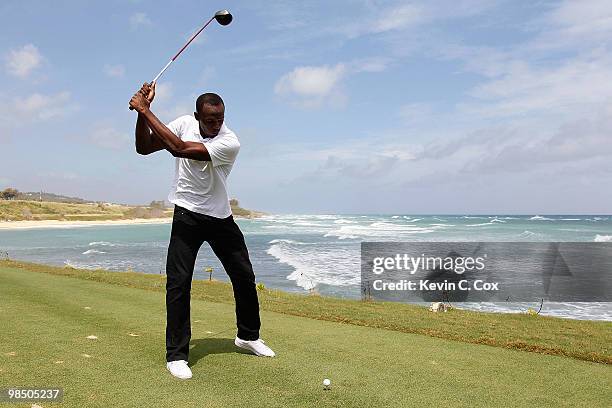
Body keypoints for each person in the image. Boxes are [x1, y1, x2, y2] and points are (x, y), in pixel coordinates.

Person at [129, 82, 275, 381]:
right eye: (210, 120)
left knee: (244, 276)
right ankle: (177, 355)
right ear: (197, 116)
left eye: (220, 119)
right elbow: (144, 147)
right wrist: (141, 114)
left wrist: (147, 109)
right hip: (186, 214)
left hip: (220, 217)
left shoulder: (229, 141)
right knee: (179, 283)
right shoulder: (183, 124)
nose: (216, 125)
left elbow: (178, 149)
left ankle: (248, 336)